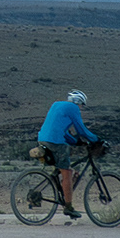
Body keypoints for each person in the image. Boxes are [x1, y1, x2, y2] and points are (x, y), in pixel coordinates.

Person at [36, 89, 97, 220]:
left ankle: (61, 191)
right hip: (55, 142)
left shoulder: (56, 104)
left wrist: (75, 142)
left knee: (62, 169)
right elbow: (81, 129)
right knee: (67, 173)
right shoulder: (73, 108)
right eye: (81, 105)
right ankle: (68, 207)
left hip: (43, 139)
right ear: (78, 102)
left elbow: (62, 131)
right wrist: (96, 139)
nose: (81, 108)